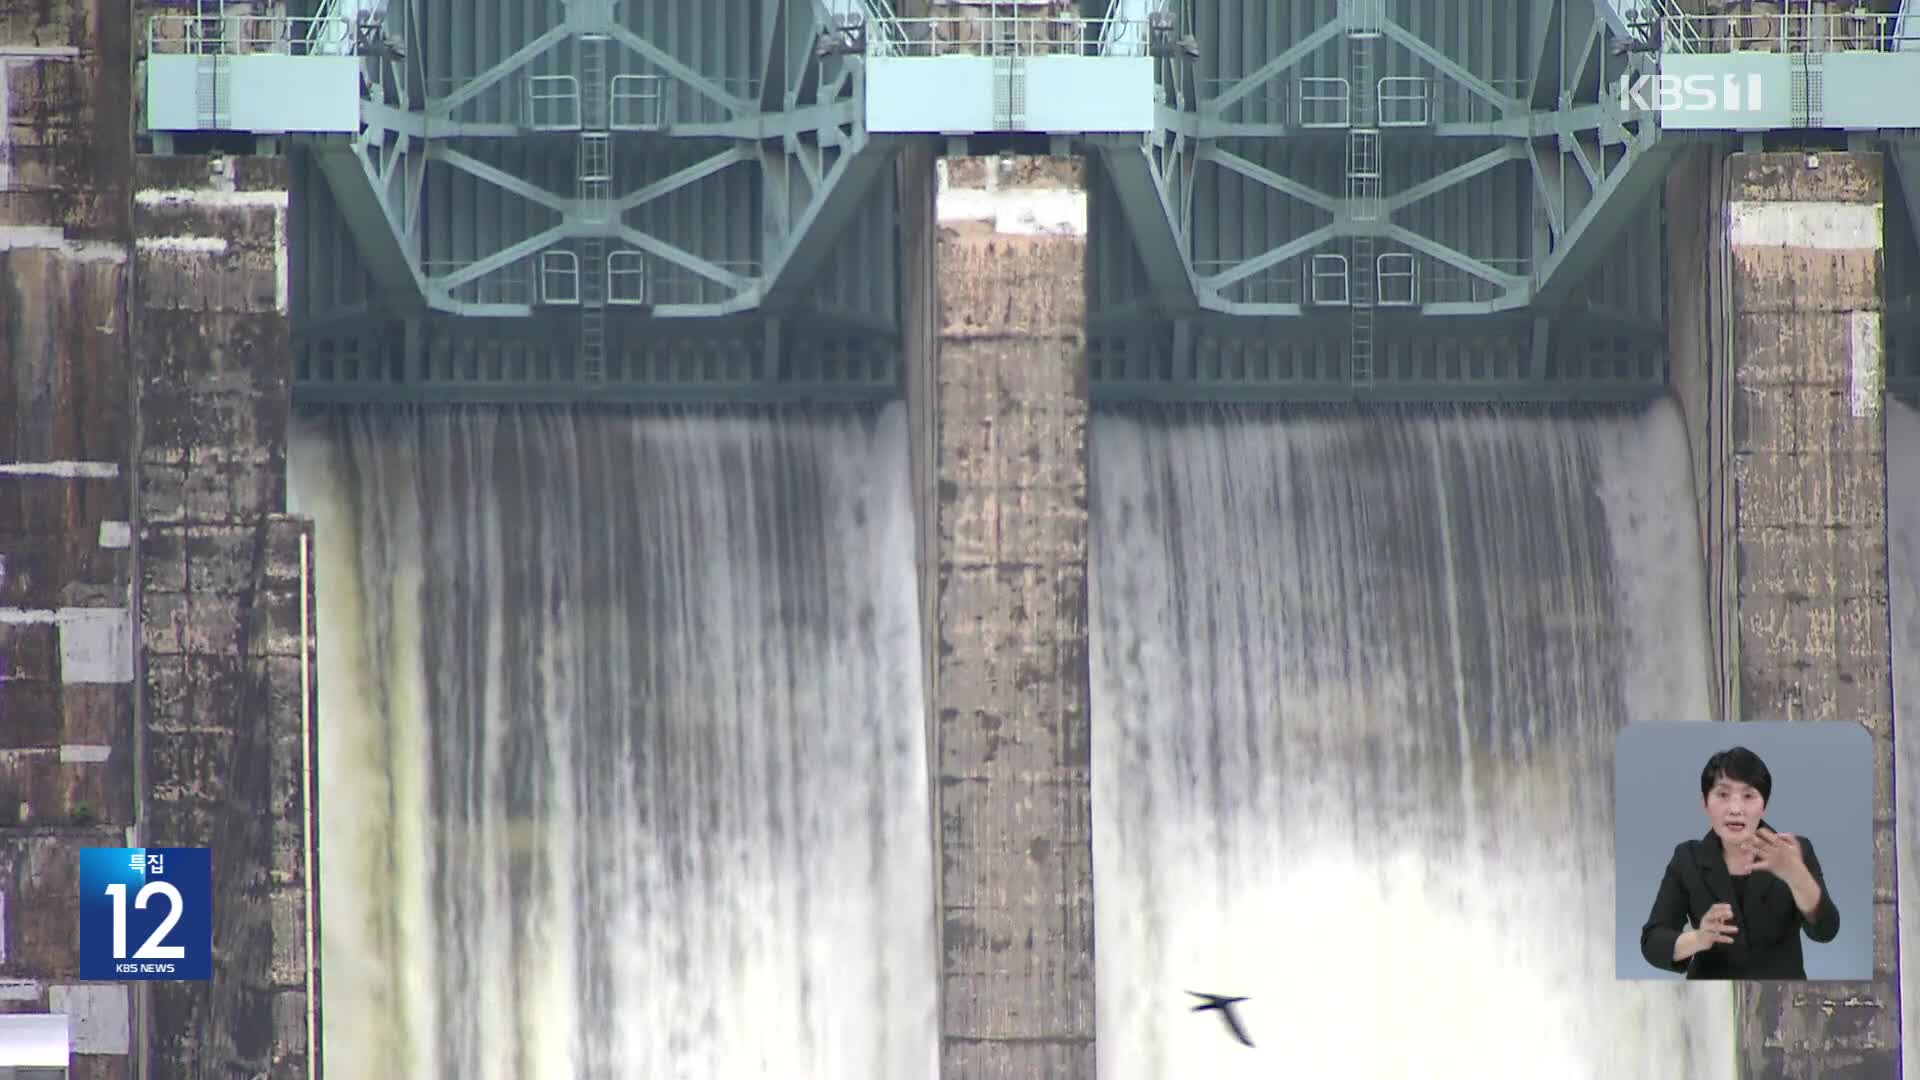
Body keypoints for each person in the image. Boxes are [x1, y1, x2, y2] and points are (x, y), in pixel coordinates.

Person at [1637, 746, 1840, 979]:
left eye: (1748, 796)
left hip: (1782, 997)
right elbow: (1652, 942)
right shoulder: (1687, 858)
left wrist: (1797, 876)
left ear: (1764, 805)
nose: (1735, 809)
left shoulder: (1795, 850)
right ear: (1705, 803)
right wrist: (1699, 938)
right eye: (1723, 795)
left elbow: (1826, 931)